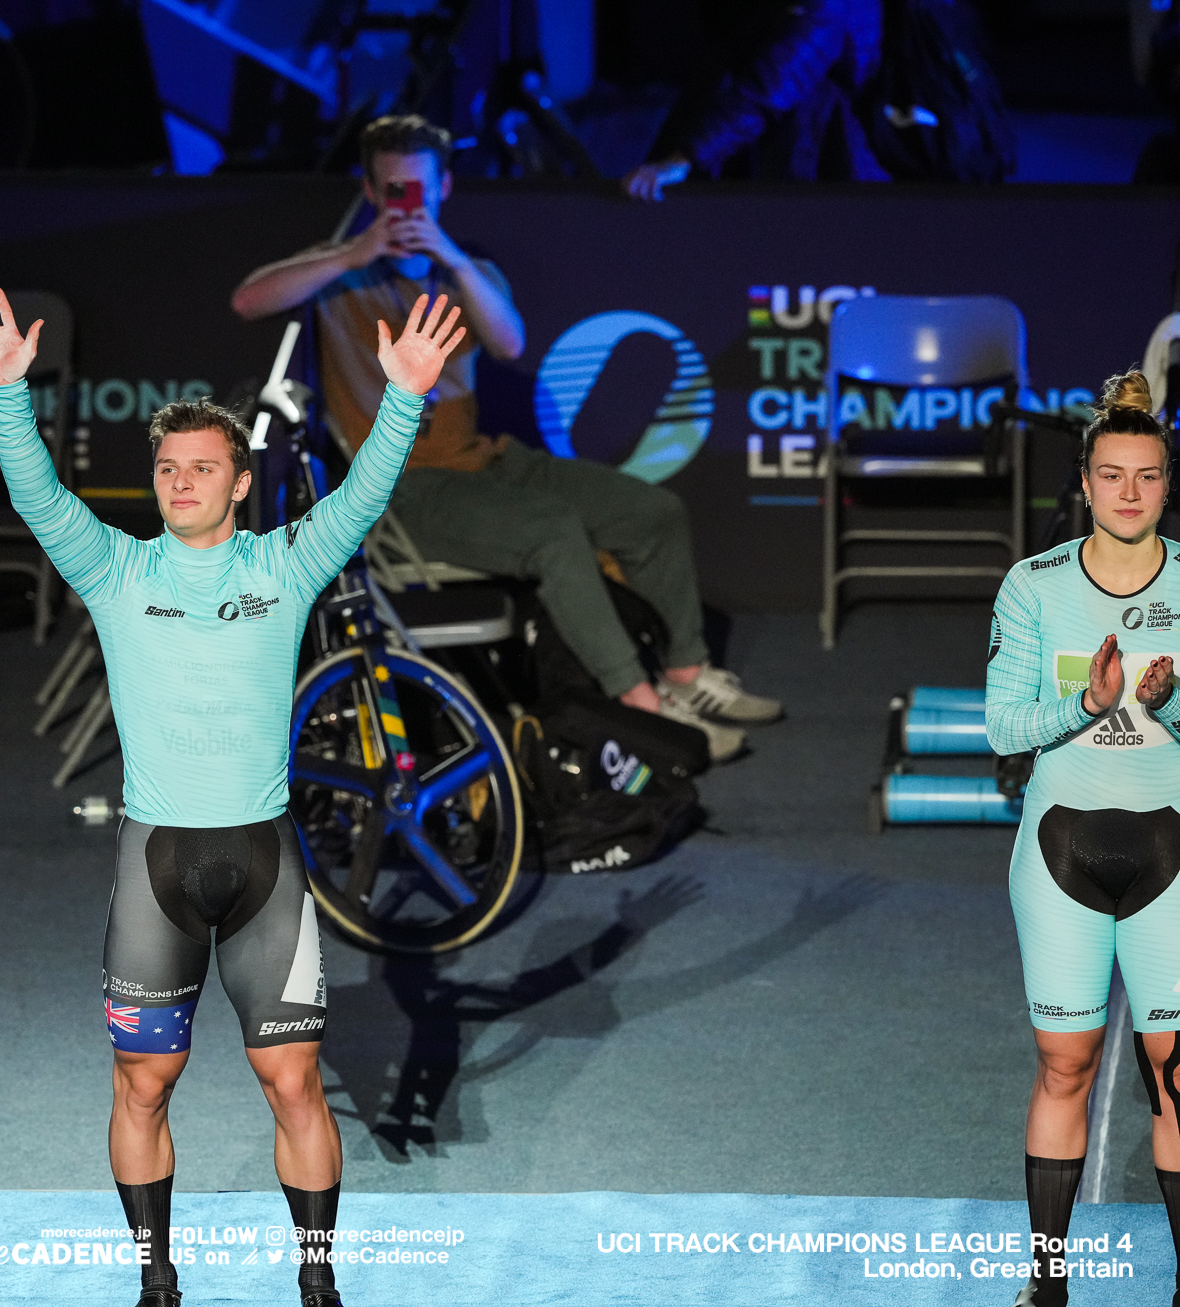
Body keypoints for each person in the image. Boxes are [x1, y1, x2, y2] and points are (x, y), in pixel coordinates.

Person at [0, 284, 466, 1307]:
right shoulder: (110, 566)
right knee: (143, 1079)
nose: (179, 480)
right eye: (166, 467)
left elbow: (361, 497)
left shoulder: (284, 561)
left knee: (293, 1079)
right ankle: (155, 1276)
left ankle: (317, 1283)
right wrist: (9, 394)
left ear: (239, 486)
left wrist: (402, 397)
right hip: (157, 869)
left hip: (265, 867)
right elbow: (38, 497)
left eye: (201, 468)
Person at [231, 112, 780, 761]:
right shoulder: (336, 270)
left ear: (444, 190)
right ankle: (643, 707)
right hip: (396, 488)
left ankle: (688, 676)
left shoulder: (468, 271)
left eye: (420, 191)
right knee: (552, 532)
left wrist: (450, 257)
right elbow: (248, 301)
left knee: (651, 512)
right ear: (373, 193)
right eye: (395, 191)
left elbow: (509, 339)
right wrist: (356, 252)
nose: (409, 206)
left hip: (482, 462)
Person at [984, 370, 1180, 1307]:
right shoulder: (1034, 585)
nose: (1130, 493)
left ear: (1166, 484)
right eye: (1113, 475)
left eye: (1147, 476)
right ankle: (1047, 1282)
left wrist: (1169, 707)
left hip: (1170, 856)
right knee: (1066, 1062)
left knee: (1177, 1068)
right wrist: (1089, 701)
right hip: (1059, 856)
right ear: (1089, 481)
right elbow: (1001, 728)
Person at [623, 0, 885, 201]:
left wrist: (684, 159)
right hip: (763, 172)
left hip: (802, 181)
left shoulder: (829, 9)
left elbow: (774, 84)